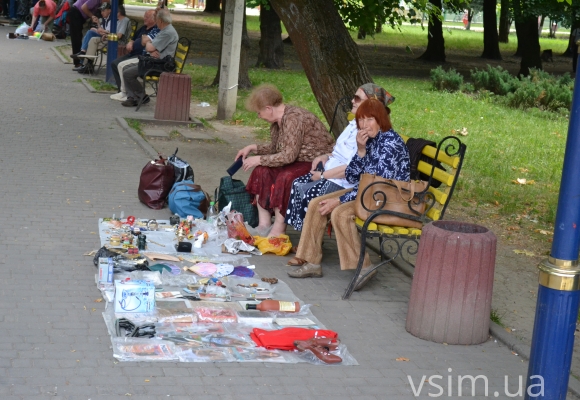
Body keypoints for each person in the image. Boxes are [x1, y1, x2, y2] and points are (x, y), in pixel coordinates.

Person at [287, 98, 410, 291]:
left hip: (387, 197)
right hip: (369, 192)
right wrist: (360, 150)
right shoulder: (370, 141)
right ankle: (312, 262)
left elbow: (378, 185)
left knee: (340, 213)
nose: (364, 125)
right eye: (361, 119)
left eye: (370, 119)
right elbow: (353, 175)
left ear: (381, 120)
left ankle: (364, 267)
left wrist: (339, 200)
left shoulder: (390, 144)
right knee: (317, 204)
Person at [284, 84, 393, 242]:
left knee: (314, 198)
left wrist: (323, 176)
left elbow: (359, 174)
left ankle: (308, 244)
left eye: (357, 98)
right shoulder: (355, 125)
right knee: (297, 184)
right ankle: (307, 242)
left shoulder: (373, 135)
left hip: (351, 186)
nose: (352, 101)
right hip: (339, 176)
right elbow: (345, 155)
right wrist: (325, 156)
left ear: (371, 104)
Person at [235, 84, 335, 237]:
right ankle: (264, 225)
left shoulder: (293, 118)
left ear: (268, 108)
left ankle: (279, 228)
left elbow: (288, 156)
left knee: (286, 177)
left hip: (315, 161)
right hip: (297, 159)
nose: (259, 116)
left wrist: (259, 159)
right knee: (261, 171)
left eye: (259, 112)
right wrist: (253, 147)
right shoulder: (277, 122)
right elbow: (278, 149)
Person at [120, 8, 177, 107]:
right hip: (154, 61)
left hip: (160, 65)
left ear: (160, 20)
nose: (156, 22)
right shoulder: (165, 30)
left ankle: (141, 96)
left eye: (156, 20)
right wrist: (150, 45)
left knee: (127, 73)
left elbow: (149, 47)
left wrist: (148, 43)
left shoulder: (167, 32)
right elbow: (149, 47)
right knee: (126, 69)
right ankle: (135, 97)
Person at [110, 9, 159, 102]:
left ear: (154, 19)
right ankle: (122, 90)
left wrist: (145, 42)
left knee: (123, 67)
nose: (144, 18)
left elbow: (148, 44)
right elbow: (134, 38)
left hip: (141, 55)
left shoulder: (155, 30)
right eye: (145, 16)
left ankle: (128, 93)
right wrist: (131, 42)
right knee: (114, 63)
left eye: (147, 17)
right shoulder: (144, 27)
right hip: (133, 53)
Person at [75, 5, 130, 74]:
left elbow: (119, 36)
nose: (112, 14)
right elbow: (109, 32)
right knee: (93, 39)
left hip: (116, 41)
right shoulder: (116, 20)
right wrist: (105, 34)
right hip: (109, 39)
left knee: (93, 40)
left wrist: (106, 35)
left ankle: (86, 64)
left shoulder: (124, 20)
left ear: (118, 13)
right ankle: (87, 64)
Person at [69, 0, 105, 68]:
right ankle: (77, 62)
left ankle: (80, 60)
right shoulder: (96, 0)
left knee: (80, 36)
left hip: (80, 15)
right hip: (76, 12)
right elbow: (84, 7)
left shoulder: (99, 2)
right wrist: (92, 16)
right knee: (76, 38)